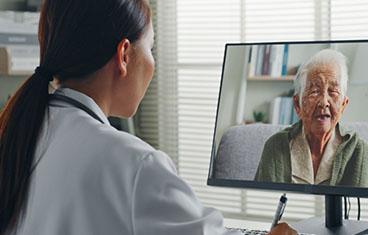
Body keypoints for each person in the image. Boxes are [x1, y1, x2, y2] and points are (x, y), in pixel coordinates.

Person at [0, 1, 298, 235]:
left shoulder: (19, 130)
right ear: (125, 55)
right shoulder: (135, 165)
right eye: (151, 48)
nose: (153, 62)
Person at [254, 49, 368, 188]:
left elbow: (367, 207)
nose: (324, 102)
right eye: (314, 91)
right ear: (297, 105)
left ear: (343, 105)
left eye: (333, 91)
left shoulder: (358, 151)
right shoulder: (276, 146)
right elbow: (262, 204)